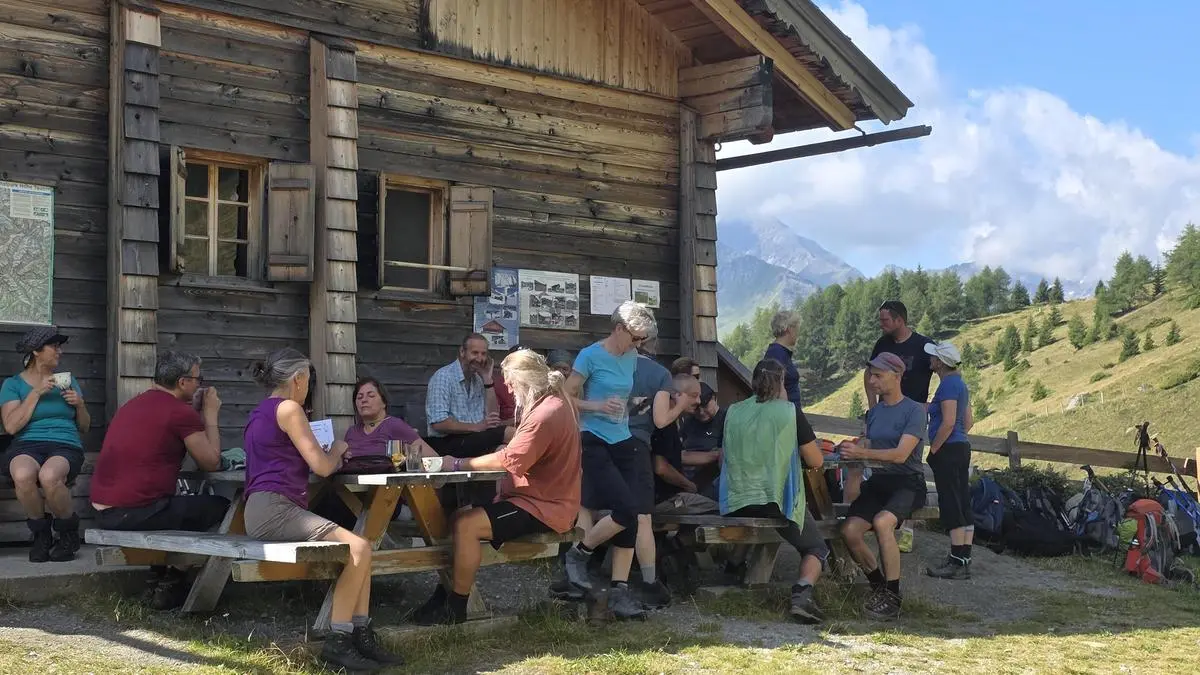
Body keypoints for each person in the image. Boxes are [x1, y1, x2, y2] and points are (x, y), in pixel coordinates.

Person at [241, 349, 402, 671]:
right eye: (308, 379)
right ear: (298, 378)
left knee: (361, 548)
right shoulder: (290, 408)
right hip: (275, 508)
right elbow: (323, 467)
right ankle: (339, 640)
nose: (308, 387)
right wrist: (339, 448)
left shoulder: (259, 412)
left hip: (261, 506)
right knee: (359, 547)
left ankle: (360, 633)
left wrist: (327, 456)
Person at [414, 349, 582, 625]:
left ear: (524, 380)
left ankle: (456, 608)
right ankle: (444, 593)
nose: (510, 391)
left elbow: (508, 461)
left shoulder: (546, 411)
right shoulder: (554, 402)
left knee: (466, 525)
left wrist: (455, 463)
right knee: (456, 518)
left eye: (511, 384)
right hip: (536, 498)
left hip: (545, 507)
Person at [90, 351, 230, 609]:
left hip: (105, 511)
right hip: (133, 513)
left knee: (182, 506)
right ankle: (174, 579)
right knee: (221, 507)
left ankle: (156, 576)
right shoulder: (179, 413)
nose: (199, 385)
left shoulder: (134, 404)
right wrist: (210, 415)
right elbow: (211, 463)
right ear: (183, 382)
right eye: (198, 379)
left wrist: (193, 413)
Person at [561, 301, 657, 620]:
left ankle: (619, 592)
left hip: (622, 437)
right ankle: (579, 554)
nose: (639, 345)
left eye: (643, 340)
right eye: (636, 338)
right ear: (619, 329)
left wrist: (631, 405)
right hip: (593, 438)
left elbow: (620, 396)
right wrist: (597, 406)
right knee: (625, 509)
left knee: (633, 513)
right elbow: (565, 396)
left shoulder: (630, 357)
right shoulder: (590, 356)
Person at [720, 359, 829, 623]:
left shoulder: (733, 411)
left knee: (754, 523)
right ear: (781, 383)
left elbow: (724, 456)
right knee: (817, 547)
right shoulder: (789, 412)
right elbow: (815, 460)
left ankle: (733, 568)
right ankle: (802, 595)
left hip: (736, 498)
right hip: (774, 500)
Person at [839, 352, 928, 620]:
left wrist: (862, 453)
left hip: (908, 483)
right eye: (871, 376)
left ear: (897, 376)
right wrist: (853, 448)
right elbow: (869, 442)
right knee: (849, 531)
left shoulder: (914, 411)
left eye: (878, 376)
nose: (872, 381)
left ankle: (893, 595)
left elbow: (901, 454)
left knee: (882, 523)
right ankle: (879, 587)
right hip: (879, 481)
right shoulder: (875, 412)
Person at [0, 327, 89, 563]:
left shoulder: (69, 382)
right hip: (26, 444)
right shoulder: (13, 385)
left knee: (50, 476)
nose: (60, 351)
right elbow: (11, 426)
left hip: (64, 443)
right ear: (36, 351)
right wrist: (36, 393)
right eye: (54, 347)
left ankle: (68, 533)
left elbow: (84, 426)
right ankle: (41, 535)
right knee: (22, 475)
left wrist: (80, 405)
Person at [859, 300, 933, 553]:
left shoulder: (923, 345)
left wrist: (932, 405)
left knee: (909, 464)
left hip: (913, 415)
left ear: (900, 320)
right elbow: (868, 373)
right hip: (886, 412)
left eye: (885, 320)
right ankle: (882, 517)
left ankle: (906, 530)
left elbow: (944, 368)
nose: (881, 325)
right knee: (884, 464)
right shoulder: (882, 344)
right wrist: (872, 406)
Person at [923, 341, 975, 579]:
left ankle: (956, 561)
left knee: (951, 503)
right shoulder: (960, 384)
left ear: (940, 363)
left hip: (948, 449)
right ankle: (963, 557)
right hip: (961, 447)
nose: (930, 360)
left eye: (933, 357)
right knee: (962, 501)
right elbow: (968, 421)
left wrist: (934, 449)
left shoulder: (947, 385)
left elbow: (949, 421)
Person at [424, 333, 513, 457]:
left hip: (474, 440)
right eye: (475, 353)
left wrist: (487, 380)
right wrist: (477, 427)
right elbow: (439, 424)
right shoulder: (443, 377)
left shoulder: (478, 379)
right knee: (508, 433)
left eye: (483, 354)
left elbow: (493, 417)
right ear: (462, 352)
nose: (480, 359)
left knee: (504, 451)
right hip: (446, 442)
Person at [678, 383, 724, 496]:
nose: (701, 412)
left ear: (714, 398)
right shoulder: (688, 422)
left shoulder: (726, 418)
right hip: (686, 481)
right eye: (696, 408)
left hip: (714, 481)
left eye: (705, 406)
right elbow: (677, 454)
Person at [763, 310, 803, 407]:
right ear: (789, 329)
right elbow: (774, 393)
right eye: (796, 329)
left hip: (790, 412)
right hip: (788, 414)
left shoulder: (778, 352)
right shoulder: (776, 354)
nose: (797, 333)